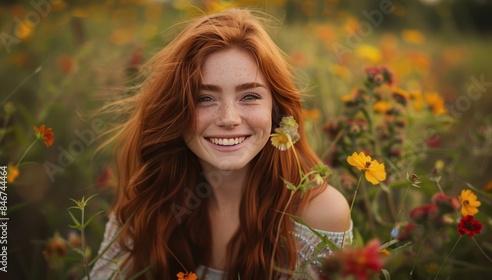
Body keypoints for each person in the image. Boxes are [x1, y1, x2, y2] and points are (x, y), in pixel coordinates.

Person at [90, 8, 352, 280]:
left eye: (249, 96)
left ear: (277, 110)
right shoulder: (151, 201)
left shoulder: (320, 215)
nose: (229, 119)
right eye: (205, 98)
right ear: (175, 110)